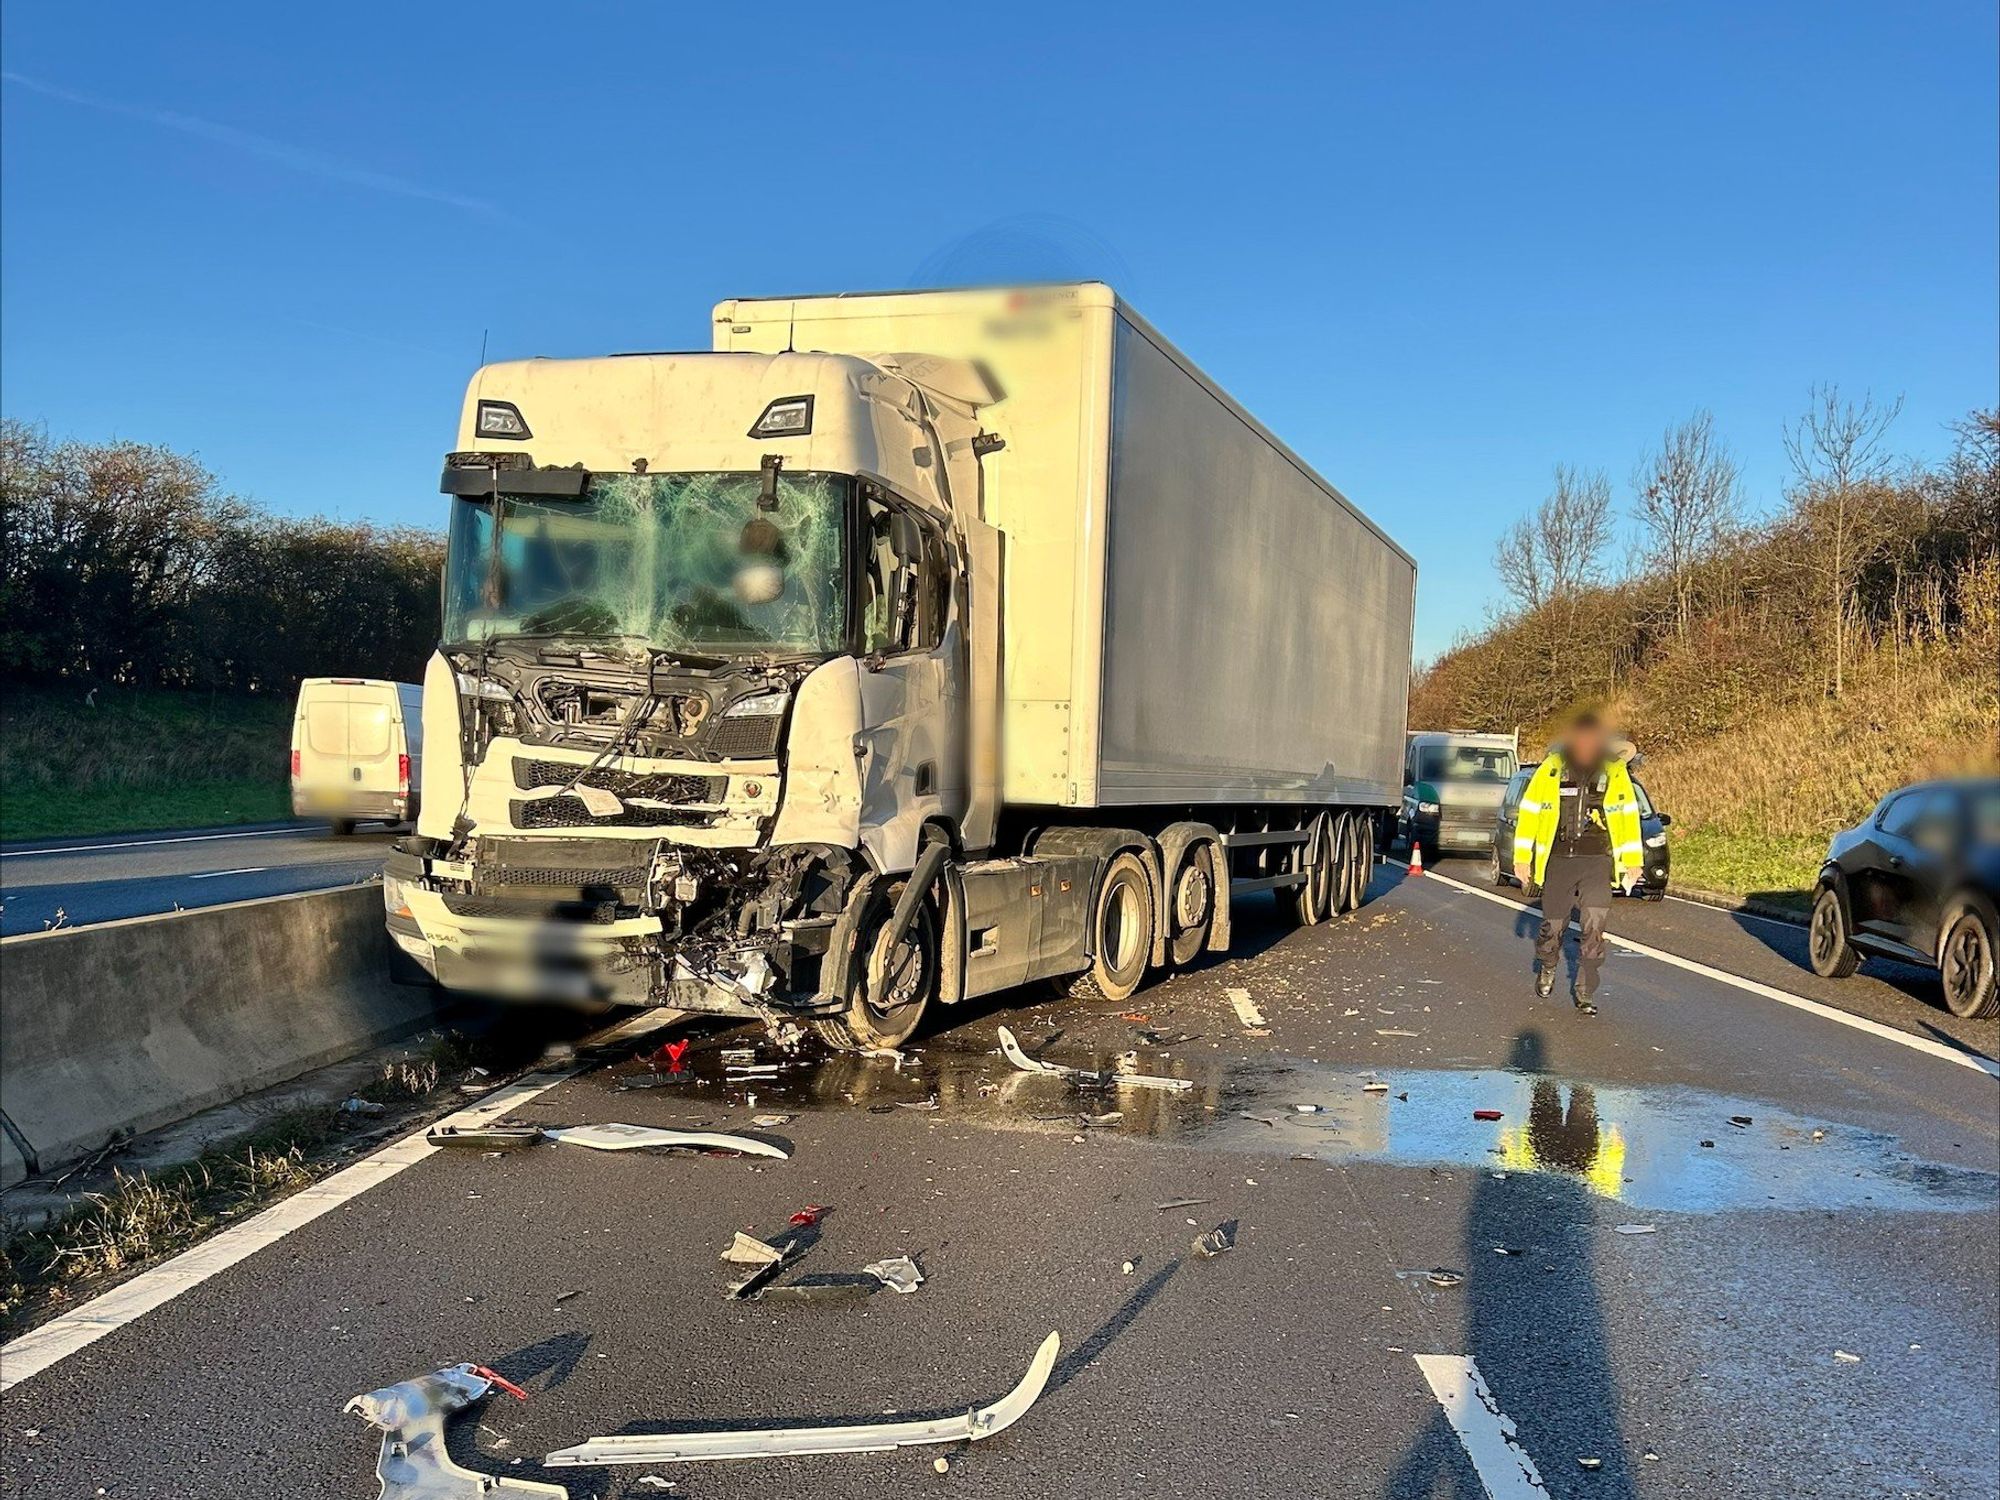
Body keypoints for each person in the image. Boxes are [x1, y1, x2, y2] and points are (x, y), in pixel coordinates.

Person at [1511, 713, 1645, 1015]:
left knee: (1594, 928)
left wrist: (1633, 862)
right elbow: (1530, 813)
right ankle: (1547, 965)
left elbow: (1627, 818)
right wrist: (1522, 858)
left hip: (1597, 862)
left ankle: (1585, 991)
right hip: (1558, 861)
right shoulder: (1551, 770)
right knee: (1553, 928)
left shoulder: (1614, 771)